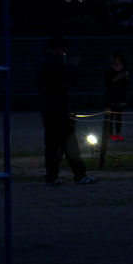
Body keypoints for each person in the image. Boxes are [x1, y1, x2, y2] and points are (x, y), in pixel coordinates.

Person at [38, 35, 95, 186]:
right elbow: (70, 77)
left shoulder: (43, 63)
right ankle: (79, 174)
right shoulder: (56, 63)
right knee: (69, 143)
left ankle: (52, 176)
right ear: (59, 48)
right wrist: (74, 66)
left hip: (48, 110)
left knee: (51, 145)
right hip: (59, 110)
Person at [103, 50, 130, 142]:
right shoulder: (109, 69)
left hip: (121, 96)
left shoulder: (125, 69)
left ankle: (118, 134)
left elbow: (127, 83)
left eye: (113, 57)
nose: (111, 59)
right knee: (109, 116)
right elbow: (107, 83)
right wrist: (117, 78)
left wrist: (122, 78)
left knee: (119, 116)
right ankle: (110, 134)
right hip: (110, 96)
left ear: (117, 57)